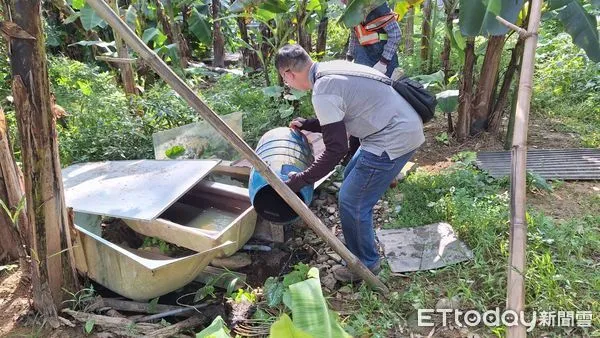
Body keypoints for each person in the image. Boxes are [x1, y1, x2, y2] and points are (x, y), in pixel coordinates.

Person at [275, 44, 424, 282]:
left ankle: (365, 264)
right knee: (351, 178)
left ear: (288, 73)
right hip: (396, 126)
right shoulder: (330, 68)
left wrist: (302, 179)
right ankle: (358, 242)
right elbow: (345, 112)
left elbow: (336, 149)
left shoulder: (323, 89)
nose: (288, 85)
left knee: (352, 201)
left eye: (285, 81)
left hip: (392, 138)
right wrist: (310, 124)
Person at [345, 1, 401, 78]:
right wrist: (349, 58)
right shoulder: (351, 12)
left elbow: (395, 34)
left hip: (382, 57)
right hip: (363, 57)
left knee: (386, 88)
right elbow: (354, 36)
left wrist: (383, 63)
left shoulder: (378, 7)